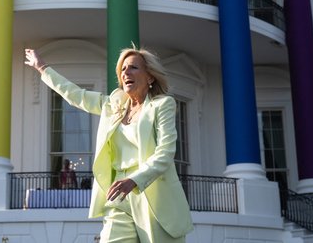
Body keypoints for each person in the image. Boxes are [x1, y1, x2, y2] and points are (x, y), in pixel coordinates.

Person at [25, 47, 193, 243]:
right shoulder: (113, 106)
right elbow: (76, 95)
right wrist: (42, 68)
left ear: (150, 78)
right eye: (123, 69)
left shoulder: (162, 105)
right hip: (119, 193)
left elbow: (165, 153)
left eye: (133, 68)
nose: (126, 73)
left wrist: (135, 180)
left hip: (152, 193)